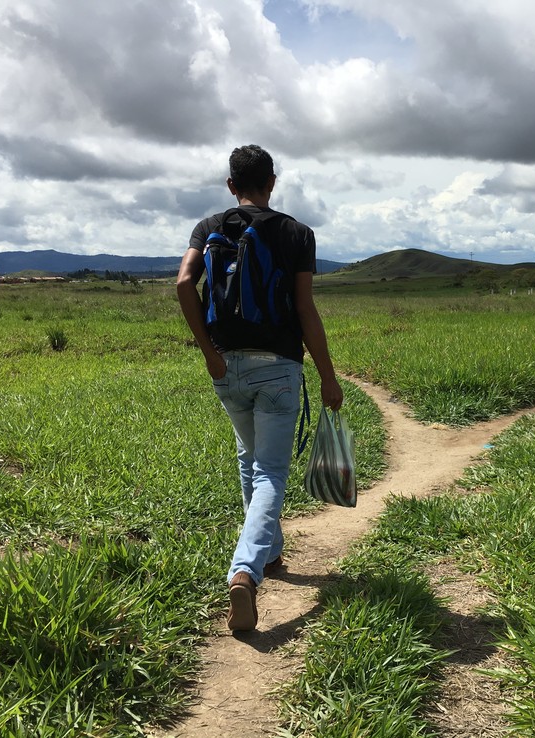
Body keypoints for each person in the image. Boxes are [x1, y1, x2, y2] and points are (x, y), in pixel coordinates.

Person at [176, 144, 343, 632]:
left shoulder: (208, 228)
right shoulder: (297, 233)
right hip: (280, 367)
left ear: (231, 186)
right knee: (270, 469)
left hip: (226, 365)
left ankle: (268, 553)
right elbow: (305, 310)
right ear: (272, 182)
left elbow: (185, 283)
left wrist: (209, 352)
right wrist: (328, 376)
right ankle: (245, 572)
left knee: (250, 459)